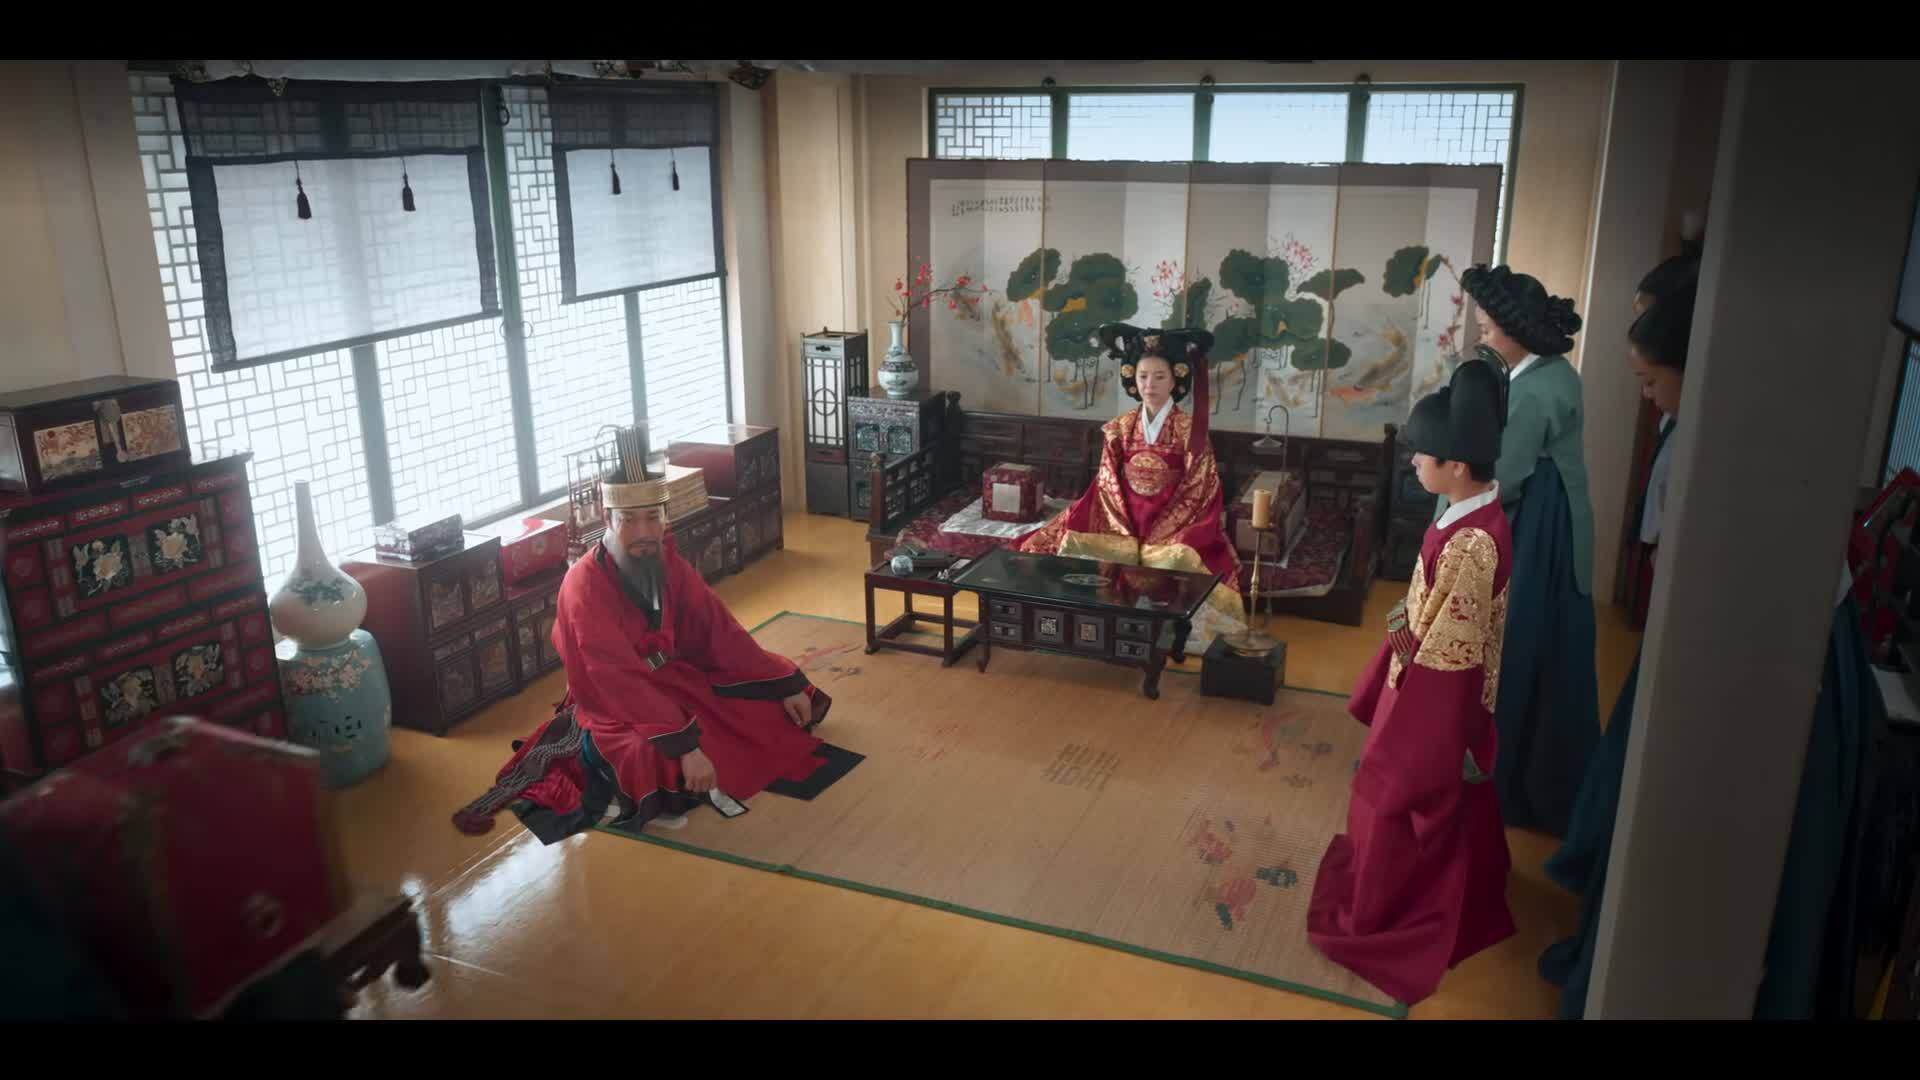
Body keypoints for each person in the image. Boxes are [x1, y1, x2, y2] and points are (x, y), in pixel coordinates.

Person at [1539, 279, 1886, 1019]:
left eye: (1650, 380)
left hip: (1770, 667)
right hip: (1757, 647)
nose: (1647, 398)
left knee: (1750, 858)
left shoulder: (1725, 455)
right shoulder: (1726, 430)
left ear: (1698, 369)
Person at [452, 473, 839, 841]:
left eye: (652, 517)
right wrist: (685, 746)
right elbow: (614, 677)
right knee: (654, 756)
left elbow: (717, 630)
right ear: (608, 519)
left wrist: (778, 682)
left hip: (673, 678)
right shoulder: (584, 585)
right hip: (613, 702)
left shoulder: (665, 561)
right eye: (629, 519)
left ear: (665, 517)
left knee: (775, 703)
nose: (643, 532)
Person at [1307, 354, 1517, 1006]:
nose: (1414, 461)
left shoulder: (1474, 542)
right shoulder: (1462, 514)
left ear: (1457, 465)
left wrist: (1411, 738)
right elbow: (1425, 614)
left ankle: (1385, 910)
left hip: (1433, 700)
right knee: (1384, 792)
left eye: (1423, 454)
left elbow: (1451, 661)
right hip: (1416, 670)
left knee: (1395, 794)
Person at [1440, 264, 1600, 839]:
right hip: (1550, 521)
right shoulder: (1551, 374)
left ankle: (1501, 779)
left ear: (1513, 332)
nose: (1481, 336)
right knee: (1544, 654)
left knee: (1511, 648)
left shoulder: (1534, 388)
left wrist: (1448, 521)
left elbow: (1501, 477)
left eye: (1486, 328)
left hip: (1536, 529)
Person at [1017, 323, 1247, 644]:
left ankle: (1178, 632)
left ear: (1176, 379)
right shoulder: (1120, 428)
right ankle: (1098, 621)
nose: (1150, 384)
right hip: (1123, 514)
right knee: (1069, 540)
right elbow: (1108, 481)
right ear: (1132, 378)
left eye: (1159, 376)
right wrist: (1123, 529)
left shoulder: (1189, 431)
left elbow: (1199, 487)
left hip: (1174, 518)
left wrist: (1163, 532)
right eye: (1143, 376)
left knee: (1180, 555)